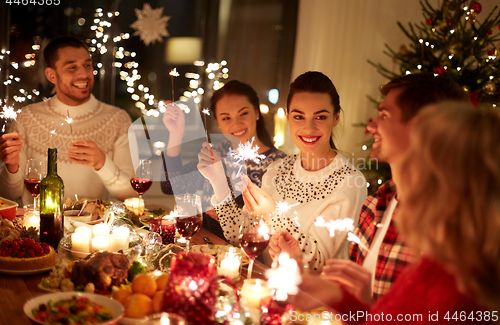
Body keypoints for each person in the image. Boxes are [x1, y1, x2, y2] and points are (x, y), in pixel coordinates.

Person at [269, 73, 468, 304]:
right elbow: (362, 308)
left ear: (422, 127)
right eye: (299, 116)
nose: (371, 125)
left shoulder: (452, 225)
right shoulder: (376, 205)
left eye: (384, 115)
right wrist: (299, 266)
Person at [290, 103, 500, 321]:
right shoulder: (442, 261)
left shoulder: (453, 286)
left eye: (414, 157)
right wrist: (339, 298)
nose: (403, 170)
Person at [199, 71, 367, 271]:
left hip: (309, 296)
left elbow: (317, 264)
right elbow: (240, 235)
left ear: (336, 117)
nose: (309, 127)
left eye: (320, 116)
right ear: (288, 117)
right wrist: (218, 182)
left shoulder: (349, 181)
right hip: (266, 285)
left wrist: (272, 215)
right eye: (299, 116)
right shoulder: (278, 168)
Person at [0, 36, 136, 204]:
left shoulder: (117, 119)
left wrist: (102, 163)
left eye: (87, 65)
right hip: (37, 227)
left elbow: (131, 193)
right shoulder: (27, 118)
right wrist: (11, 168)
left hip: (93, 227)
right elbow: (8, 196)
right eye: (72, 67)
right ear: (51, 75)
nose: (84, 74)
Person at [161, 80, 287, 240]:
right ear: (218, 123)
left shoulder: (279, 165)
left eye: (243, 113)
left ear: (256, 113)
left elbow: (275, 225)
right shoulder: (215, 154)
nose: (236, 123)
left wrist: (226, 212)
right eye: (226, 118)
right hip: (205, 247)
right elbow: (170, 186)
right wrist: (175, 134)